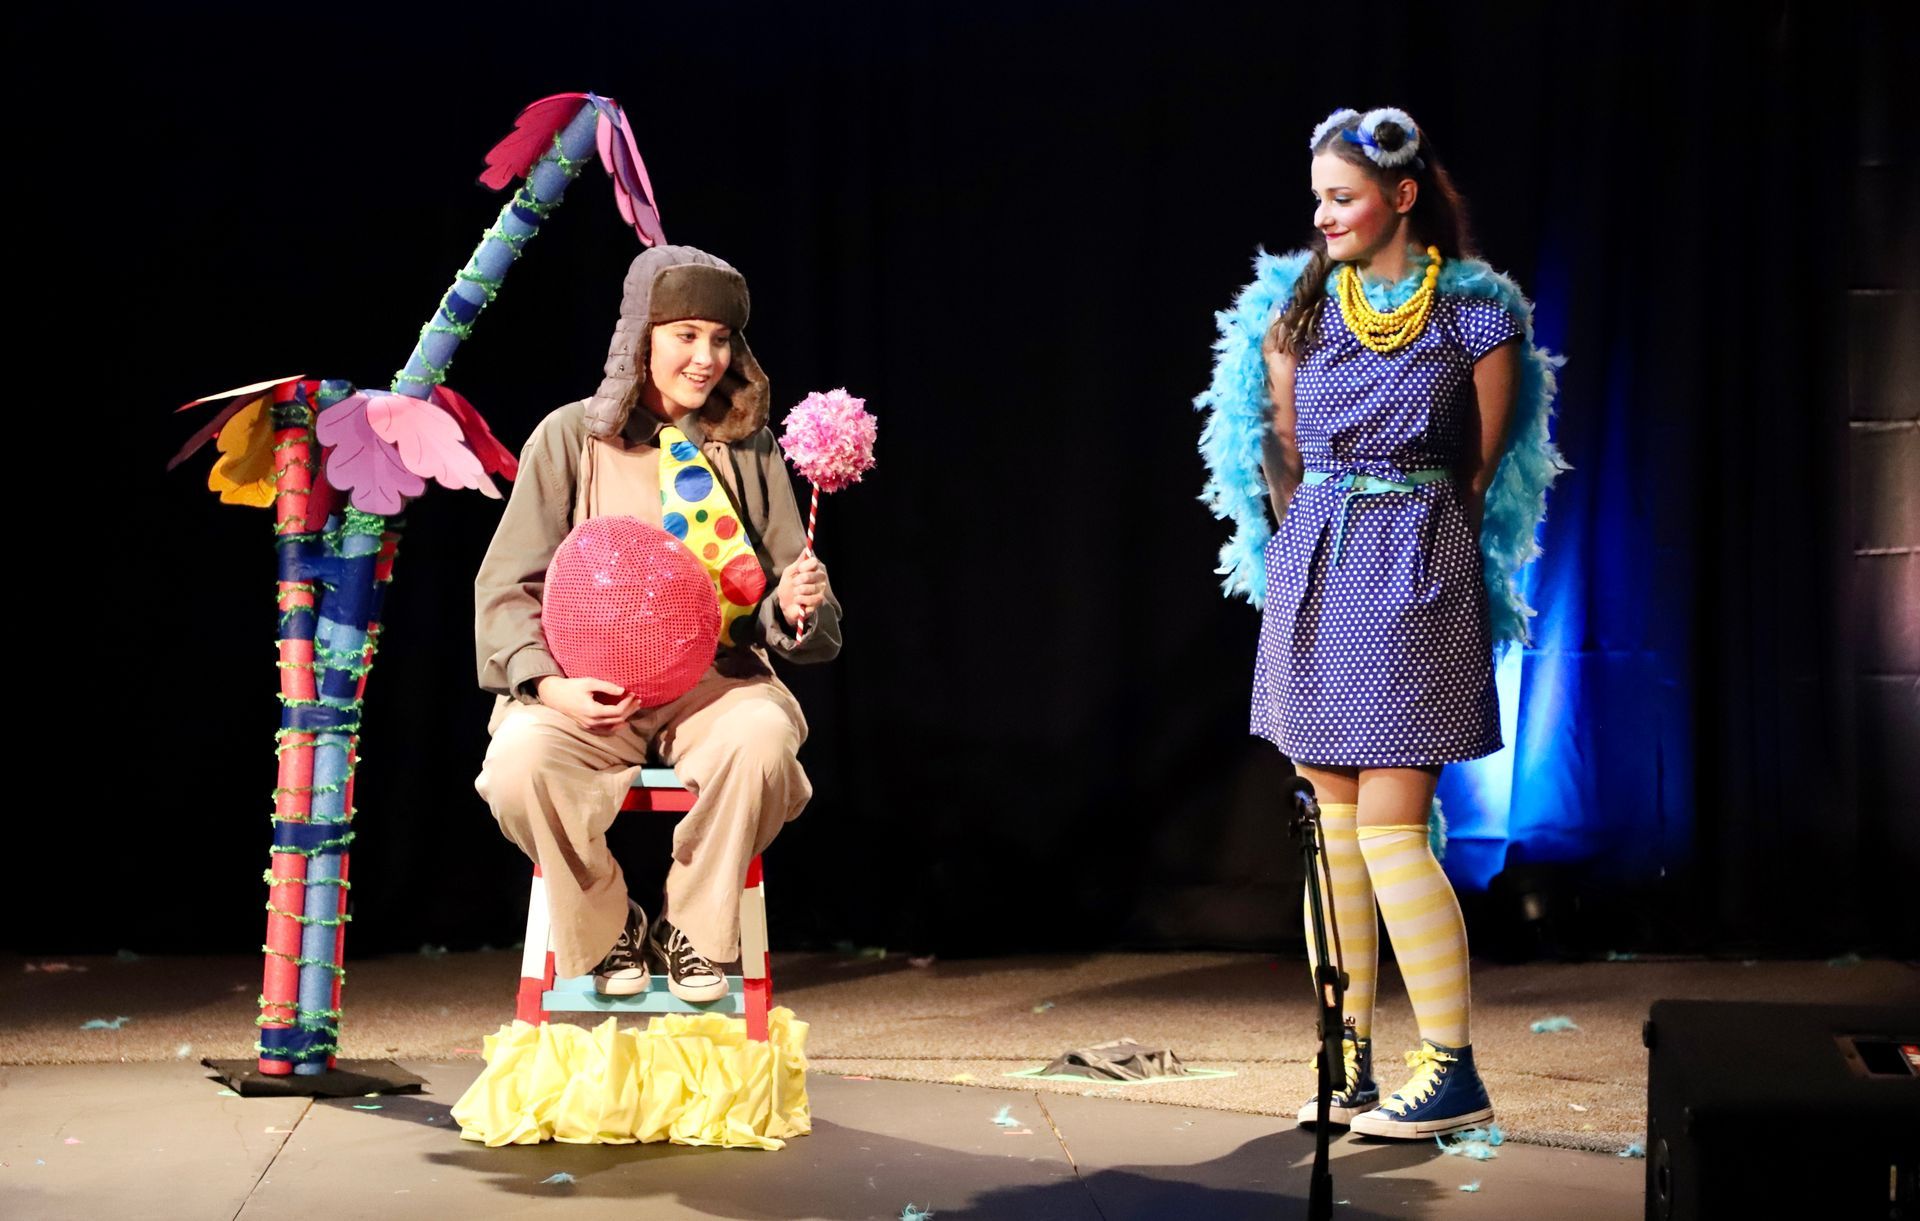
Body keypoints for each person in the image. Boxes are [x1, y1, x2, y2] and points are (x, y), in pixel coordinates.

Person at [1195, 107, 1563, 1138]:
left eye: (1343, 197)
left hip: (1417, 562)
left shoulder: (1474, 315)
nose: (1324, 217)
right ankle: (1346, 1057)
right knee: (1338, 836)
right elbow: (1280, 456)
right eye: (1317, 199)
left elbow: (1488, 471)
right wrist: (1304, 554)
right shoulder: (1298, 314)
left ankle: (1450, 1067)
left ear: (1402, 197)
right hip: (1321, 562)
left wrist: (1417, 539)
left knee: (1396, 830)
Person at [474, 245, 840, 1003]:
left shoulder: (748, 448)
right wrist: (547, 684)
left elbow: (791, 608)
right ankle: (610, 928)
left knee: (763, 740)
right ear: (641, 335)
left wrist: (798, 607)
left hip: (715, 681)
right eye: (686, 335)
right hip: (589, 686)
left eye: (720, 338)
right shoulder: (570, 438)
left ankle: (694, 934)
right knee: (518, 766)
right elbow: (506, 586)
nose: (706, 358)